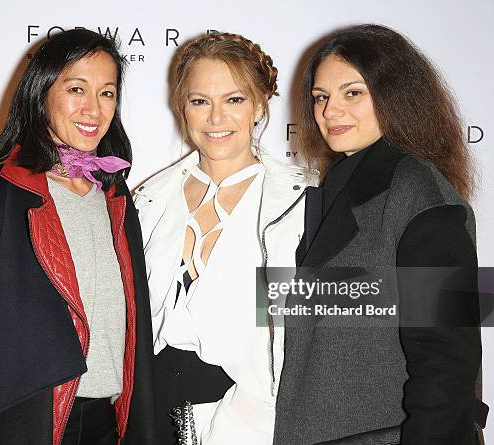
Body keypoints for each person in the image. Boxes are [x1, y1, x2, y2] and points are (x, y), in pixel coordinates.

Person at [0, 29, 154, 445]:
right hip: (26, 426)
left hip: (109, 424)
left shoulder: (116, 197)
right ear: (41, 92)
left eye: (107, 93)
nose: (93, 109)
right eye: (76, 89)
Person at [274, 24, 484, 445]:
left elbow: (447, 360)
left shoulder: (419, 193)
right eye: (321, 97)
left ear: (395, 94)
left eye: (353, 93)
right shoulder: (334, 187)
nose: (331, 111)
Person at [134, 32, 316, 444]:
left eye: (234, 99)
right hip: (151, 419)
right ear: (181, 107)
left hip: (254, 421)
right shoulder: (145, 200)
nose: (216, 118)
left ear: (259, 105)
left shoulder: (304, 202)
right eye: (200, 101)